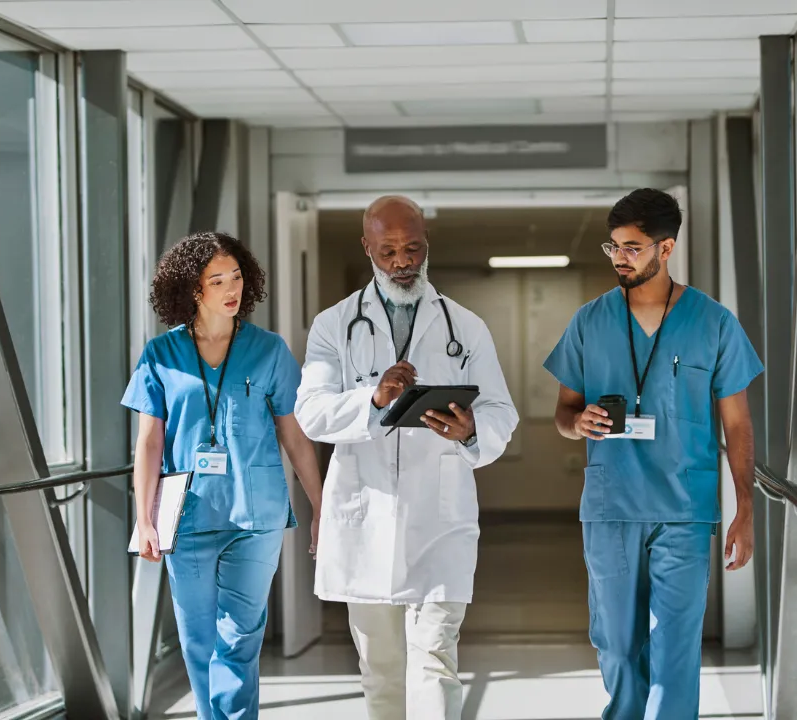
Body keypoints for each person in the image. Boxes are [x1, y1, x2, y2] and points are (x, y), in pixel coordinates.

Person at [295, 196, 519, 719]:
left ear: (426, 245)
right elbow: (311, 413)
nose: (402, 261)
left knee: (435, 659)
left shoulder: (466, 327)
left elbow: (500, 412)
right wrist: (372, 398)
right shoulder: (334, 325)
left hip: (439, 519)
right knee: (381, 670)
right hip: (365, 516)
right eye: (389, 250)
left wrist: (470, 431)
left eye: (412, 248)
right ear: (367, 247)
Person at [544, 189, 763, 719]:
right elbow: (563, 413)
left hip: (684, 510)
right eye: (613, 246)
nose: (620, 257)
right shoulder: (589, 321)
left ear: (666, 249)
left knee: (675, 650)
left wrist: (745, 510)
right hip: (611, 505)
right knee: (617, 645)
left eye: (633, 247)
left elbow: (737, 423)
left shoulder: (713, 322)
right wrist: (579, 422)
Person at [123, 231, 323, 720]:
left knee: (239, 636)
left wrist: (322, 507)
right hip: (187, 518)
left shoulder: (269, 351)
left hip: (257, 518)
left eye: (236, 277)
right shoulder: (160, 355)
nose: (232, 289)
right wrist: (144, 521)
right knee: (198, 639)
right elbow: (149, 443)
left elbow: (295, 437)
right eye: (218, 280)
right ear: (193, 289)